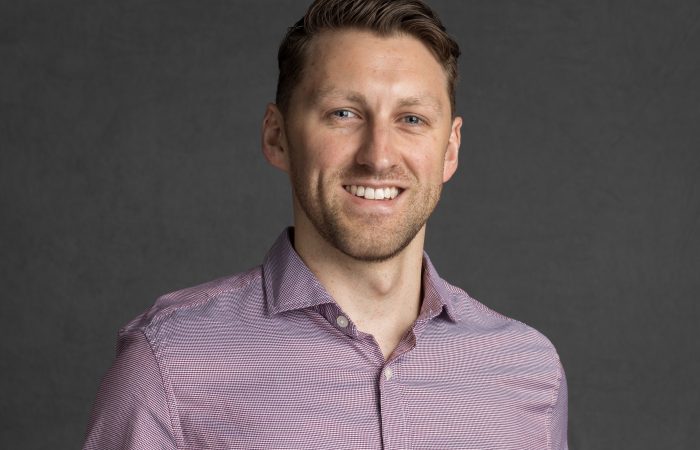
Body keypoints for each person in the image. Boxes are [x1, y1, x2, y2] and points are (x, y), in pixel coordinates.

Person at [83, 0, 568, 448]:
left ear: (451, 149)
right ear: (277, 136)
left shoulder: (528, 369)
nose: (378, 156)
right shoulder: (169, 364)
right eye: (343, 113)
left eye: (411, 119)